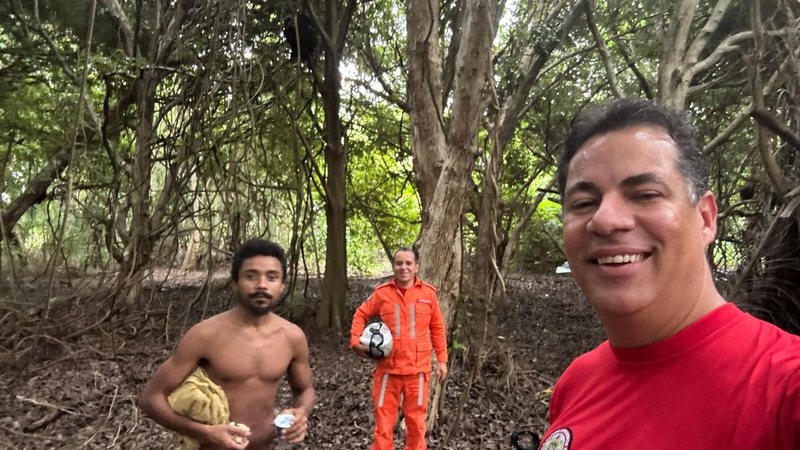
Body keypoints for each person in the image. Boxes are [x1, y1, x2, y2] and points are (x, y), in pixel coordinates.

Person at [537, 98, 800, 449]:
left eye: (645, 195)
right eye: (584, 203)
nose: (605, 219)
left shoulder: (784, 388)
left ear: (706, 219)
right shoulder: (576, 382)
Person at [139, 238, 316, 450]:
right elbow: (151, 399)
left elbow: (305, 390)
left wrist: (301, 413)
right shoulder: (205, 335)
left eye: (272, 277)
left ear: (282, 286)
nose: (262, 285)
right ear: (235, 282)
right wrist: (205, 433)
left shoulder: (292, 337)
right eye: (251, 276)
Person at [350, 247, 448, 450]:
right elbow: (361, 313)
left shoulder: (428, 294)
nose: (404, 267)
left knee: (416, 426)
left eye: (408, 263)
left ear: (416, 266)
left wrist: (442, 359)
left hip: (418, 371)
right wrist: (355, 340)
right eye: (399, 263)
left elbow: (437, 327)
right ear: (394, 266)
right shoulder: (382, 294)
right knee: (384, 426)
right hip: (388, 371)